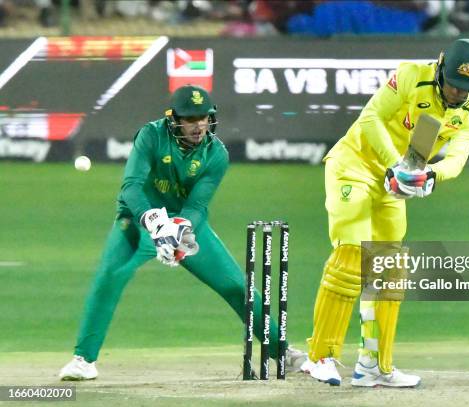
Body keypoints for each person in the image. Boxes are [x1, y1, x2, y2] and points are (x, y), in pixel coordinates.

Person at [59, 85, 305, 380]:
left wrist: (179, 228)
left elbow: (198, 205)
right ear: (174, 119)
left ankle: (282, 351)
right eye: (190, 119)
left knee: (237, 286)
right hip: (138, 221)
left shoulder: (216, 154)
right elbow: (132, 187)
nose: (198, 124)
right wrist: (152, 221)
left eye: (203, 117)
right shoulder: (151, 136)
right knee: (110, 276)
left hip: (185, 225)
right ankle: (83, 360)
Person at [300, 39, 469, 387]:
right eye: (452, 85)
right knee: (350, 255)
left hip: (393, 183)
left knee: (388, 268)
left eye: (466, 89)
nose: (457, 94)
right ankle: (320, 357)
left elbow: (457, 157)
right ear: (440, 67)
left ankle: (374, 366)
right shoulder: (410, 75)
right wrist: (394, 165)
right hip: (352, 167)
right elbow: (370, 118)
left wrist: (431, 175)